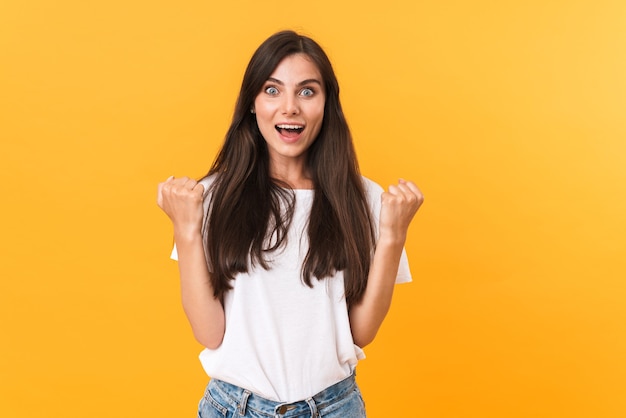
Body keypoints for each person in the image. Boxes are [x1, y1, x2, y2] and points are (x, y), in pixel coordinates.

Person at [157, 30, 424, 418]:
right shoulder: (211, 196)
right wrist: (185, 229)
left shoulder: (364, 198)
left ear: (326, 103)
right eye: (272, 90)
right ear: (251, 102)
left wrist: (393, 235)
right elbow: (208, 332)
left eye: (306, 91)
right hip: (234, 407)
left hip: (335, 406)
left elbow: (360, 333)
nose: (289, 108)